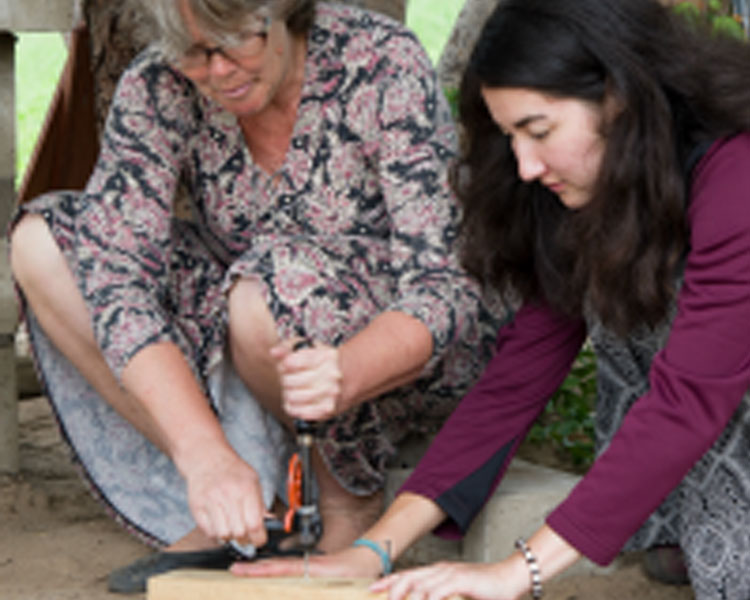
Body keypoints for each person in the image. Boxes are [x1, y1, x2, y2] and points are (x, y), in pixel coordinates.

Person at [232, 0, 750, 598]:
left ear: (618, 94)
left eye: (539, 131)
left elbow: (688, 399)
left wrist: (515, 571)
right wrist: (375, 549)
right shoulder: (596, 181)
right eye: (510, 138)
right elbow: (517, 378)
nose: (526, 166)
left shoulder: (735, 173)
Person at [9, 0, 499, 593]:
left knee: (265, 290)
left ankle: (344, 501)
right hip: (252, 324)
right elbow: (119, 276)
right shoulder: (158, 81)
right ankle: (239, 489)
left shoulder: (379, 61)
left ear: (286, 13)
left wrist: (348, 370)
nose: (217, 72)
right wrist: (201, 452)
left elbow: (444, 285)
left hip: (390, 356)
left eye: (233, 42)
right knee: (46, 245)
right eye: (194, 53)